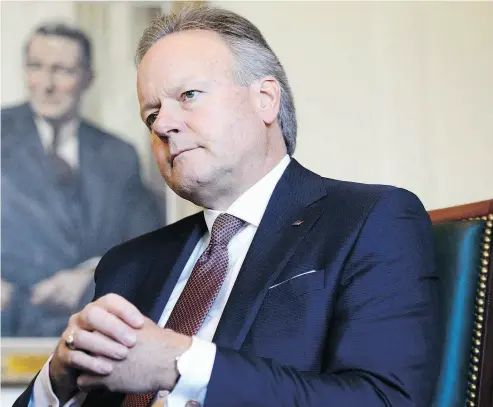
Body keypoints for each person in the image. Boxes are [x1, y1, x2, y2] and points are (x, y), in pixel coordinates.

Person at [14, 5, 441, 407]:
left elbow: (384, 400)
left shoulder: (370, 220)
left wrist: (180, 363)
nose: (163, 124)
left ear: (265, 100)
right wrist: (58, 380)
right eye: (151, 115)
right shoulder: (127, 264)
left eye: (190, 95)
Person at [1, 23, 164, 337]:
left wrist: (89, 274)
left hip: (93, 328)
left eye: (62, 71)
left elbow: (148, 245)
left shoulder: (118, 155)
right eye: (36, 67)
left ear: (88, 78)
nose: (46, 84)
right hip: (9, 328)